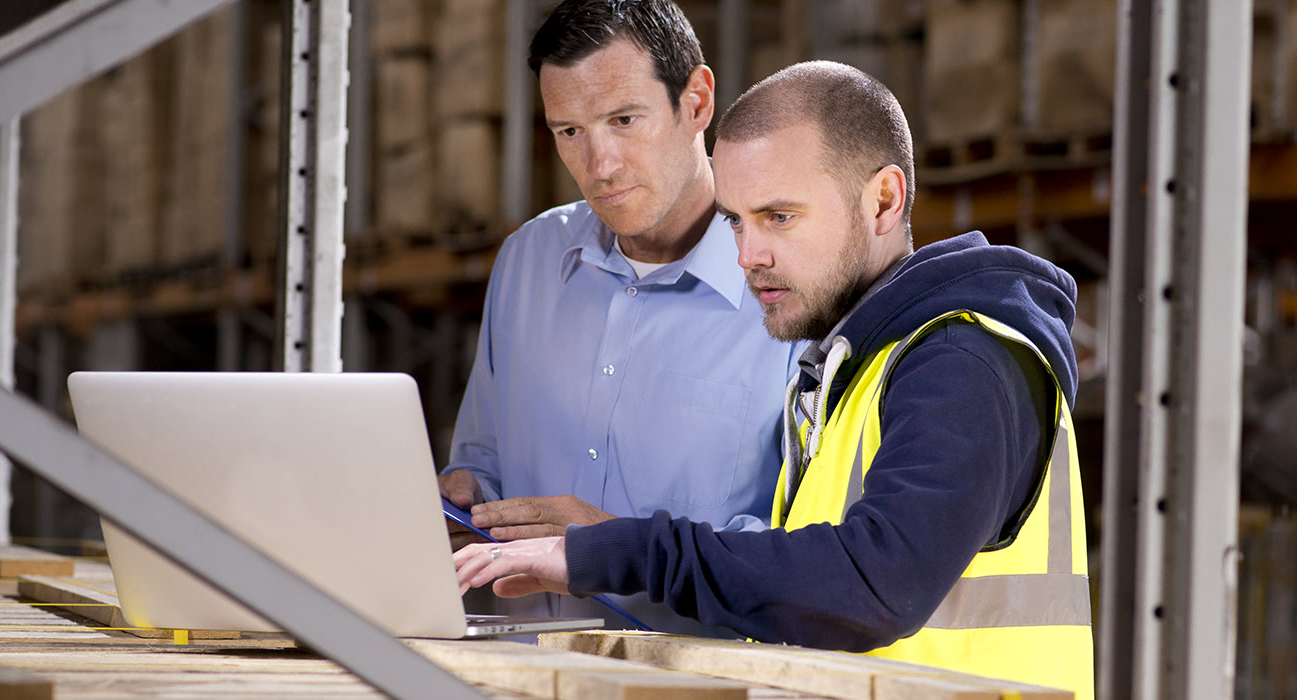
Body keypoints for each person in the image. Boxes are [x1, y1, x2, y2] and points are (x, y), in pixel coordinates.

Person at [453, 61, 1096, 697]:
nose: (747, 256)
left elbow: (874, 585)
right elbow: (798, 585)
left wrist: (616, 550)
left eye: (779, 218)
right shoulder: (852, 369)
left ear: (883, 201)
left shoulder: (966, 361)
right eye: (736, 220)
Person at [436, 0, 796, 635]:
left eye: (624, 120)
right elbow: (482, 461)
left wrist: (611, 544)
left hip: (702, 681)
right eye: (569, 131)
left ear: (698, 102)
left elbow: (809, 554)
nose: (598, 166)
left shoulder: (788, 289)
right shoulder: (527, 262)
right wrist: (462, 497)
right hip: (522, 670)